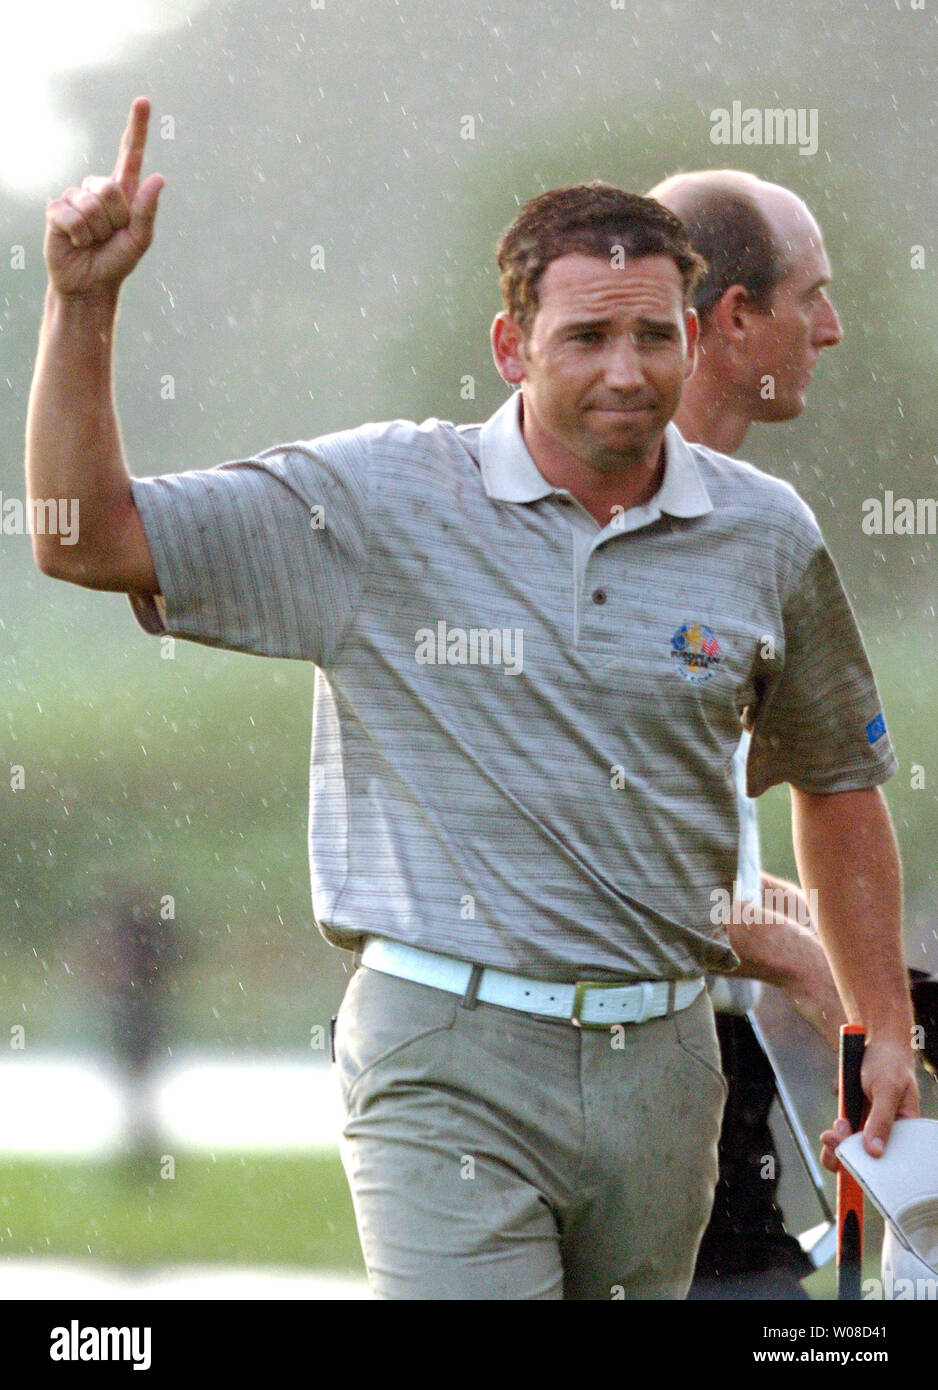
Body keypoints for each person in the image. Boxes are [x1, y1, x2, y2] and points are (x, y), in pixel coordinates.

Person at [27, 98, 919, 1300]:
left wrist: (878, 1028)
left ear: (693, 342)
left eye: (653, 337)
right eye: (586, 337)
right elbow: (86, 538)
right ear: (511, 346)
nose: (625, 371)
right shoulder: (378, 498)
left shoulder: (762, 533)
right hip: (443, 1047)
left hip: (663, 1066)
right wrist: (84, 304)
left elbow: (837, 780)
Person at [649, 169, 848, 1298]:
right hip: (623, 1054)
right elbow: (631, 864)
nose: (831, 328)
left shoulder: (748, 523)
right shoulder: (619, 523)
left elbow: (718, 862)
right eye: (808, 297)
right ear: (731, 319)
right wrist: (843, 1002)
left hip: (718, 1055)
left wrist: (876, 983)